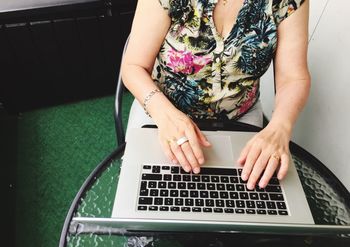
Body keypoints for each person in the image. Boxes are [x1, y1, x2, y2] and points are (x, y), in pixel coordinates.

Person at [121, 0, 310, 190]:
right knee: (150, 194)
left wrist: (280, 127)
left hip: (239, 116)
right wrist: (165, 115)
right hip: (161, 111)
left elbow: (293, 78)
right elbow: (133, 67)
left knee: (242, 199)